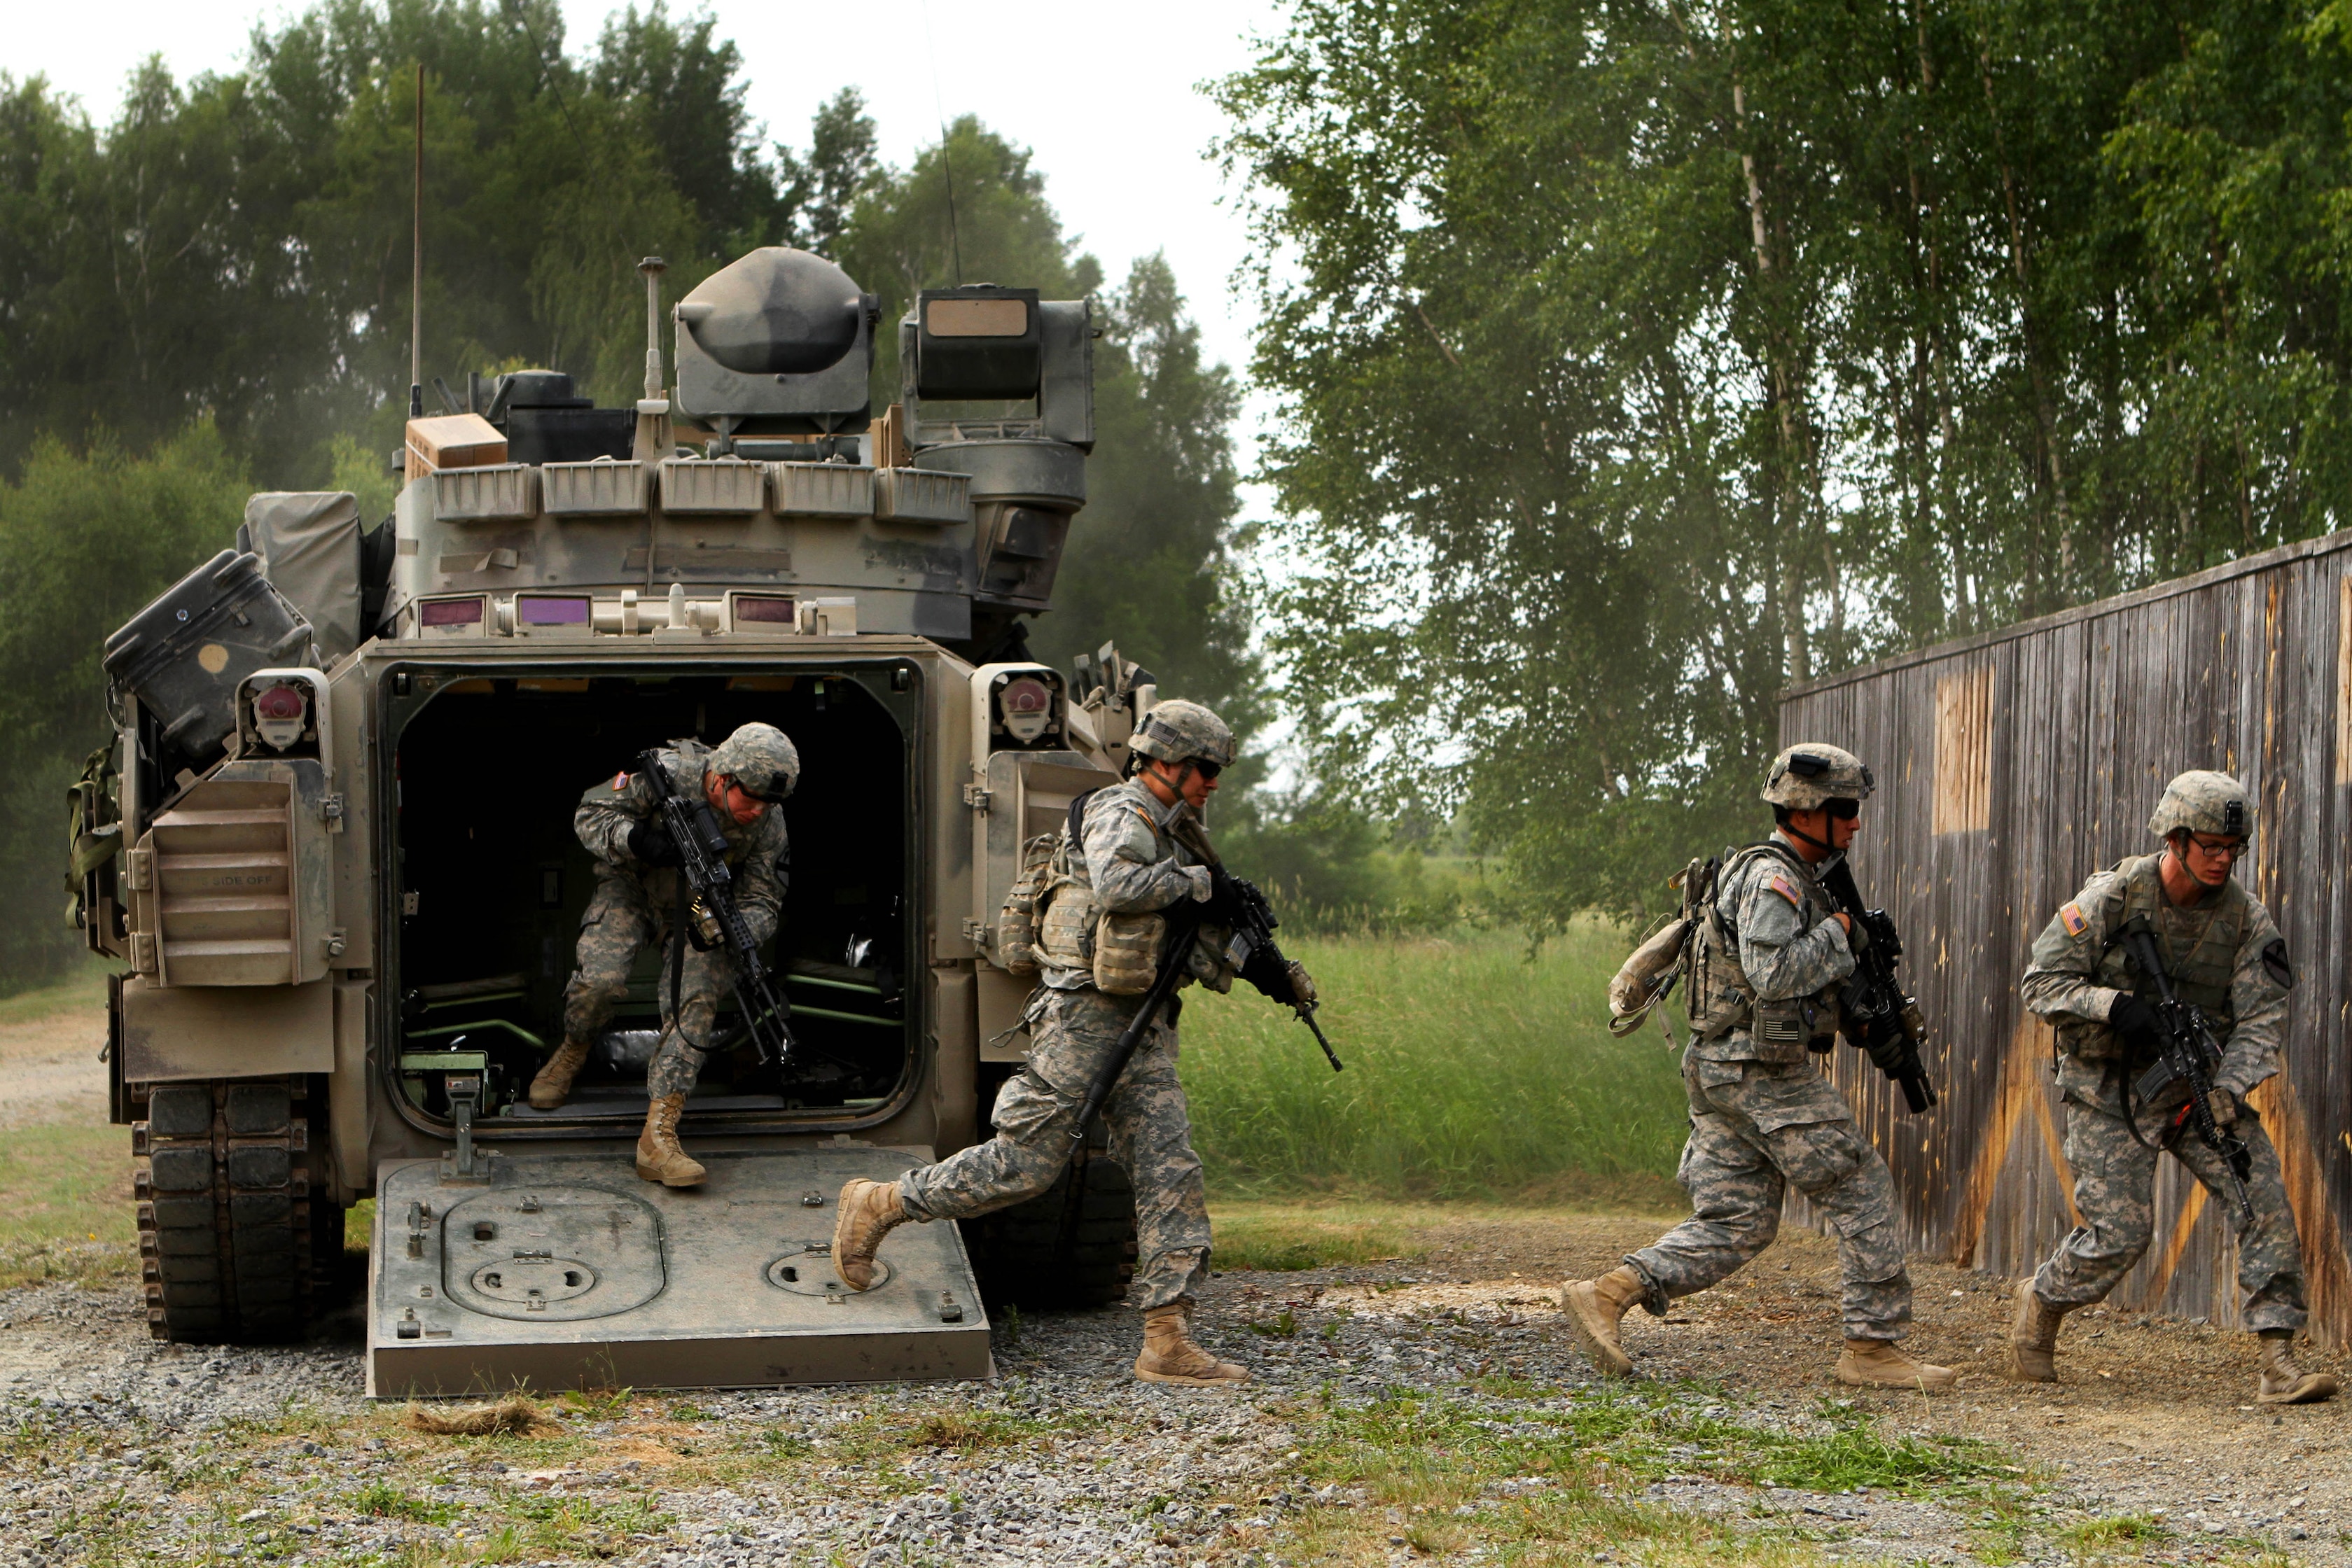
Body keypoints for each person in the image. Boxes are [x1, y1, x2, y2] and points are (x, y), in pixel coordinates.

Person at [830, 699, 1276, 1386]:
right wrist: (1200, 885)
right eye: (1204, 767)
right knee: (1026, 1162)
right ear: (1164, 761)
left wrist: (1260, 959)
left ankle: (1166, 1337)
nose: (1211, 781)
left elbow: (1182, 928)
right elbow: (1119, 885)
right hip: (1080, 1017)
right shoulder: (1118, 814)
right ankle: (883, 1202)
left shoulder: (1177, 832)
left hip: (1141, 1019)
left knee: (1169, 1165)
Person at [1560, 744, 1956, 1390]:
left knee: (1737, 1219)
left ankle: (1606, 1293)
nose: (1856, 823)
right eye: (1845, 810)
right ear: (1807, 812)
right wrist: (1841, 933)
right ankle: (1871, 1348)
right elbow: (1773, 974)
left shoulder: (1788, 878)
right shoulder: (1773, 879)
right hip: (1758, 1070)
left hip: (1722, 1067)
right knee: (1862, 1188)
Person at [2009, 771, 2335, 1404]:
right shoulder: (2113, 898)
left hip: (2196, 1089)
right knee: (2122, 1233)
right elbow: (2038, 985)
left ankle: (2276, 1360)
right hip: (2106, 1086)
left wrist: (2229, 1088)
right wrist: (2110, 1006)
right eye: (2210, 846)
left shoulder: (2245, 921)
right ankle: (2042, 1301)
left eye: (2231, 849)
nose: (2221, 860)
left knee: (2260, 1196)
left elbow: (2261, 1019)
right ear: (2176, 838)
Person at [525, 722, 799, 1189]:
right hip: (631, 887)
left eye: (767, 803)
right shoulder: (670, 775)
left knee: (697, 998)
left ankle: (658, 1137)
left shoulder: (768, 824)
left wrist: (732, 930)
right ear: (721, 777)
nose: (757, 811)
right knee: (601, 980)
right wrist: (637, 840)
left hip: (697, 906)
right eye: (749, 799)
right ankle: (573, 1048)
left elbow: (764, 900)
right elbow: (589, 815)